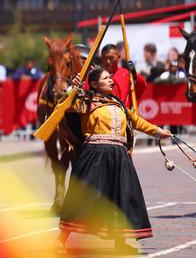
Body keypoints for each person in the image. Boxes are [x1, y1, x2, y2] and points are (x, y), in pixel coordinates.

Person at [57, 67, 172, 252]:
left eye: (111, 77)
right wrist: (73, 89)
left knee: (122, 196)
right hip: (95, 155)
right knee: (84, 196)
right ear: (94, 84)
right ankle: (61, 239)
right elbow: (64, 105)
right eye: (106, 78)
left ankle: (120, 240)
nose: (111, 80)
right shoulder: (85, 101)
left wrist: (158, 132)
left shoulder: (118, 104)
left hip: (119, 156)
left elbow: (136, 121)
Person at [97, 44, 146, 109]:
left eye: (111, 58)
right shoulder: (96, 75)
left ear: (118, 57)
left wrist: (134, 74)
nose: (108, 61)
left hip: (122, 113)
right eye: (105, 58)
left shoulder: (125, 74)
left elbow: (141, 85)